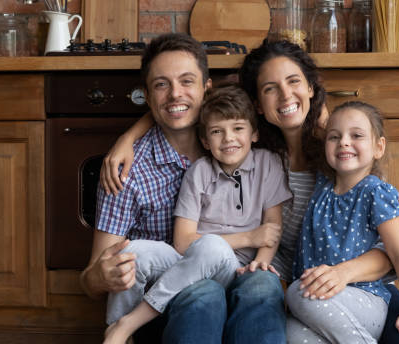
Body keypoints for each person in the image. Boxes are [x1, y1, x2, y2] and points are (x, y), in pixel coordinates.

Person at [99, 39, 399, 344]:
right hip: (293, 292)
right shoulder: (248, 150)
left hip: (353, 287)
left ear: (310, 88)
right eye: (270, 89)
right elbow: (186, 106)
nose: (286, 96)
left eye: (294, 82)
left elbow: (389, 250)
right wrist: (129, 137)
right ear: (257, 104)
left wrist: (341, 274)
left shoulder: (336, 147)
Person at [81, 33, 288, 344]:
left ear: (207, 87)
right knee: (197, 290)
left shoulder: (232, 140)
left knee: (256, 286)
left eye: (187, 81)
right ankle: (121, 333)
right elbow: (91, 279)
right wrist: (101, 276)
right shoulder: (126, 171)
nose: (175, 94)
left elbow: (299, 113)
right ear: (148, 97)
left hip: (238, 274)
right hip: (168, 302)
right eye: (161, 85)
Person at [285, 101, 399, 343]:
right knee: (291, 335)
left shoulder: (374, 192)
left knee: (298, 291)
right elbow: (316, 130)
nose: (344, 142)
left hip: (363, 298)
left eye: (356, 135)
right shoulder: (321, 186)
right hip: (321, 302)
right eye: (334, 137)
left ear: (379, 147)